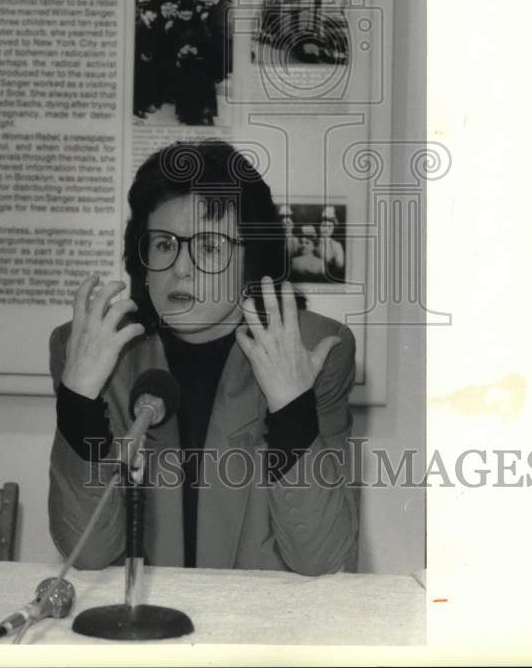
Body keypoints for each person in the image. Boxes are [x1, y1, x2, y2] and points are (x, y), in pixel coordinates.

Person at [48, 140, 357, 575]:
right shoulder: (96, 349)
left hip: (258, 632)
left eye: (209, 247)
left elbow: (323, 559)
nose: (180, 267)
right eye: (163, 244)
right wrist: (78, 399)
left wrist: (292, 407)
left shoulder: (313, 349)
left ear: (252, 258)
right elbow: (88, 553)